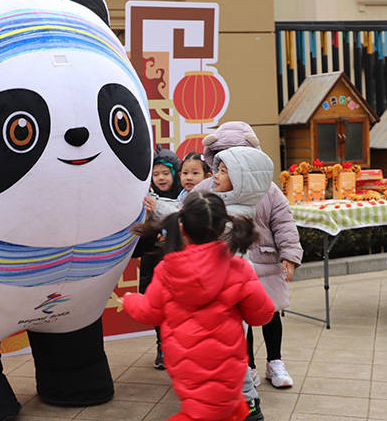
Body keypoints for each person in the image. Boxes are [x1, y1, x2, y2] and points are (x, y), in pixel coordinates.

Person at [120, 192, 275, 421]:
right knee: (222, 408)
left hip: (186, 367)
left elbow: (149, 312)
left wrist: (130, 300)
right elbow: (263, 314)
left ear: (182, 229)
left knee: (201, 411)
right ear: (224, 226)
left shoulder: (167, 271)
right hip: (228, 363)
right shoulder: (238, 268)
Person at [199, 121, 303, 391]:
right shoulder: (209, 189)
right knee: (237, 319)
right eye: (223, 159)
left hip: (266, 263)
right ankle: (248, 365)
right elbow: (187, 218)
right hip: (227, 267)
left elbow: (284, 222)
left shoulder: (268, 190)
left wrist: (289, 255)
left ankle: (275, 361)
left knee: (269, 313)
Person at [134, 146, 182, 370]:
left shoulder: (185, 198)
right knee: (158, 307)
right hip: (154, 263)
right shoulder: (146, 199)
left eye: (165, 173)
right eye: (156, 173)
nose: (161, 178)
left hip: (179, 265)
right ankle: (162, 345)